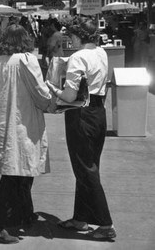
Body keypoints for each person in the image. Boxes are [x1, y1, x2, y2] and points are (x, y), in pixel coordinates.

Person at [46, 16, 116, 241]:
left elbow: (69, 95)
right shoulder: (101, 53)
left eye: (71, 37)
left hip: (80, 115)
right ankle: (80, 217)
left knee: (85, 169)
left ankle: (105, 224)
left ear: (78, 37)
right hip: (98, 113)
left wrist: (53, 88)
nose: (70, 41)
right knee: (87, 166)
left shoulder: (77, 57)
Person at [0, 24, 52, 244]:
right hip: (22, 122)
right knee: (16, 174)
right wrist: (54, 101)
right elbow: (40, 92)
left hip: (3, 123)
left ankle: (23, 213)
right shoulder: (26, 59)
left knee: (16, 171)